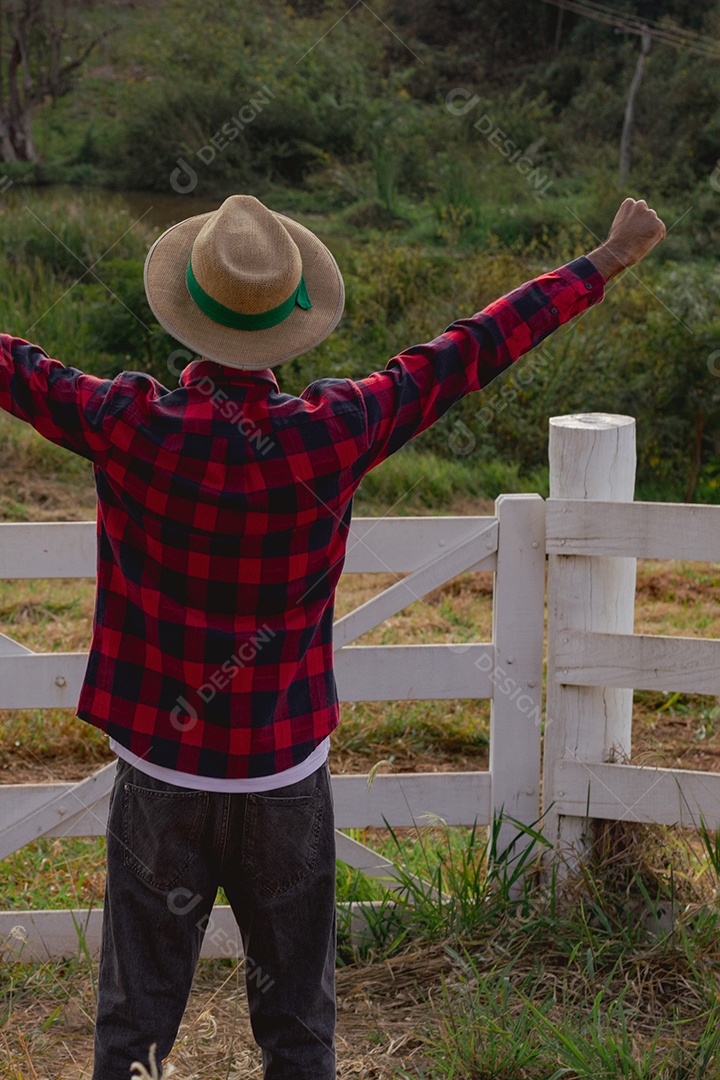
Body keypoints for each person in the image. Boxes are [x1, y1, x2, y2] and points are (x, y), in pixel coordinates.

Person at [0, 194, 665, 1079]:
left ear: (189, 316)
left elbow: (16, 367)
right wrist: (605, 261)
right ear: (291, 323)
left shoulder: (130, 426)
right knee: (299, 1025)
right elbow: (470, 350)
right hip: (284, 778)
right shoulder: (338, 429)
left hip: (161, 773)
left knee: (136, 1025)